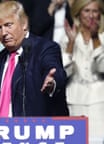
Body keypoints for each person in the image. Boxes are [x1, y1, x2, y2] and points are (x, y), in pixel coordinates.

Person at [0, 1, 69, 117]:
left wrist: (53, 82)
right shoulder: (0, 58)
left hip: (38, 130)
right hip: (3, 130)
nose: (3, 33)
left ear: (24, 24)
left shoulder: (45, 48)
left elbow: (55, 71)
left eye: (8, 25)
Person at [59, 0, 104, 138]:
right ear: (78, 13)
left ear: (100, 14)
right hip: (75, 100)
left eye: (95, 11)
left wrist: (95, 38)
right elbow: (64, 73)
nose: (91, 15)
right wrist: (71, 44)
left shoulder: (103, 37)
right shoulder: (67, 38)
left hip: (99, 101)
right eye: (87, 11)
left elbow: (102, 68)